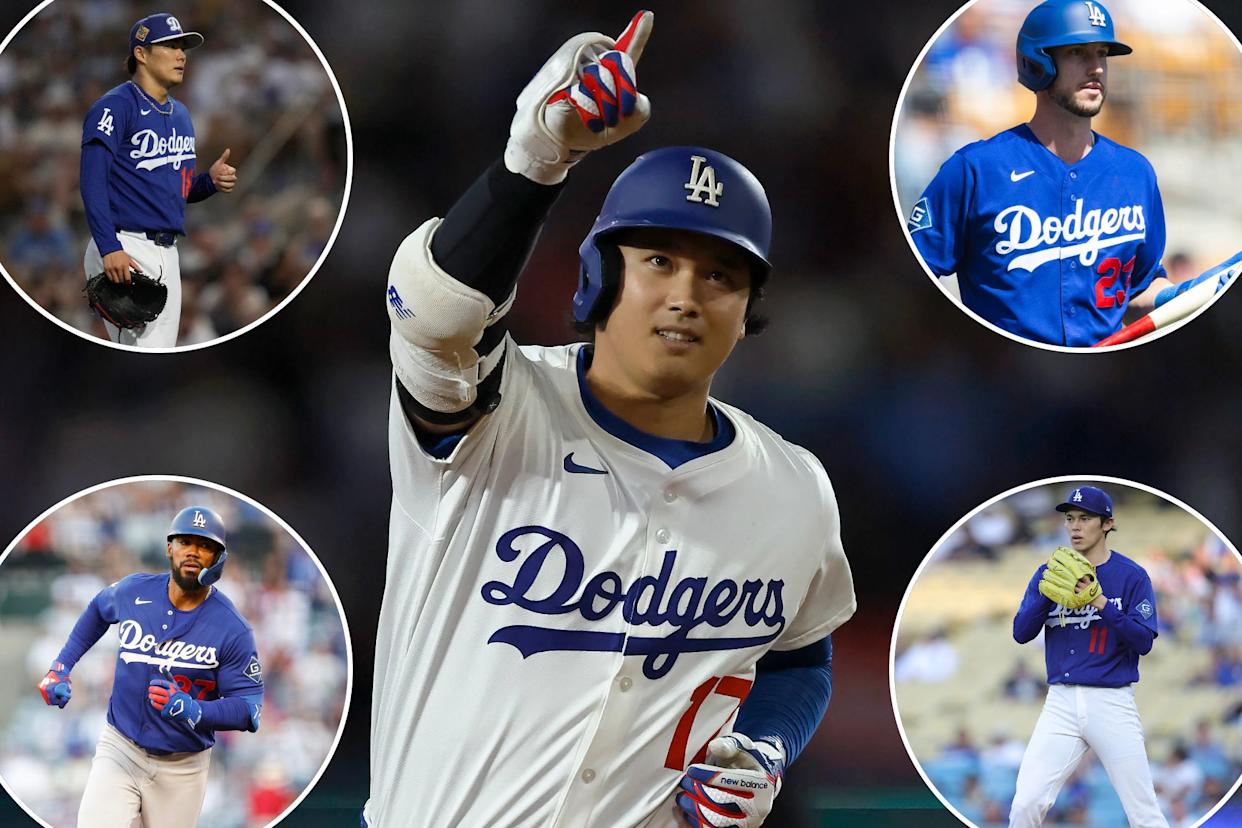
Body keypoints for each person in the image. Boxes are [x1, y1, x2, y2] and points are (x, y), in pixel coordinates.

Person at [367, 11, 857, 828]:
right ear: (596, 277)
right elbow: (435, 313)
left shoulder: (794, 486)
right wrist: (535, 159)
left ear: (749, 311)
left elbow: (801, 659)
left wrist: (763, 749)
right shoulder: (495, 410)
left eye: (721, 276)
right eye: (659, 260)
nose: (686, 296)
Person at [906, 0, 1173, 347]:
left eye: (1102, 54)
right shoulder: (975, 170)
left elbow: (1138, 289)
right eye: (1077, 53)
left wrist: (1174, 296)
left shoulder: (1136, 173)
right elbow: (908, 285)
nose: (1096, 68)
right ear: (1038, 62)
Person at [37, 507, 263, 828]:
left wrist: (195, 710)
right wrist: (61, 667)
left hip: (183, 765)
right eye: (185, 542)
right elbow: (99, 609)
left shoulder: (232, 627)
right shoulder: (134, 591)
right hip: (121, 747)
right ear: (170, 547)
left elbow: (249, 710)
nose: (193, 552)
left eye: (205, 546)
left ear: (219, 558)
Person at [1010, 486, 1166, 827]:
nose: (1075, 526)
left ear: (1107, 523)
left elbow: (1144, 642)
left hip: (1111, 701)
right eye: (1070, 518)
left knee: (1144, 814)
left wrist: (1101, 603)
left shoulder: (1131, 576)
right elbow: (1021, 633)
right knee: (1025, 805)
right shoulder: (1050, 573)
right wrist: (1045, 594)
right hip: (1060, 702)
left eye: (1085, 518)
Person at [79, 12, 237, 348]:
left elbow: (177, 191)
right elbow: (92, 182)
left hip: (169, 251)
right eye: (170, 46)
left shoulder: (181, 114)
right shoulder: (114, 107)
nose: (181, 55)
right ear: (141, 53)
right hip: (125, 245)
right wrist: (109, 247)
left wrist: (209, 182)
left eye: (183, 48)